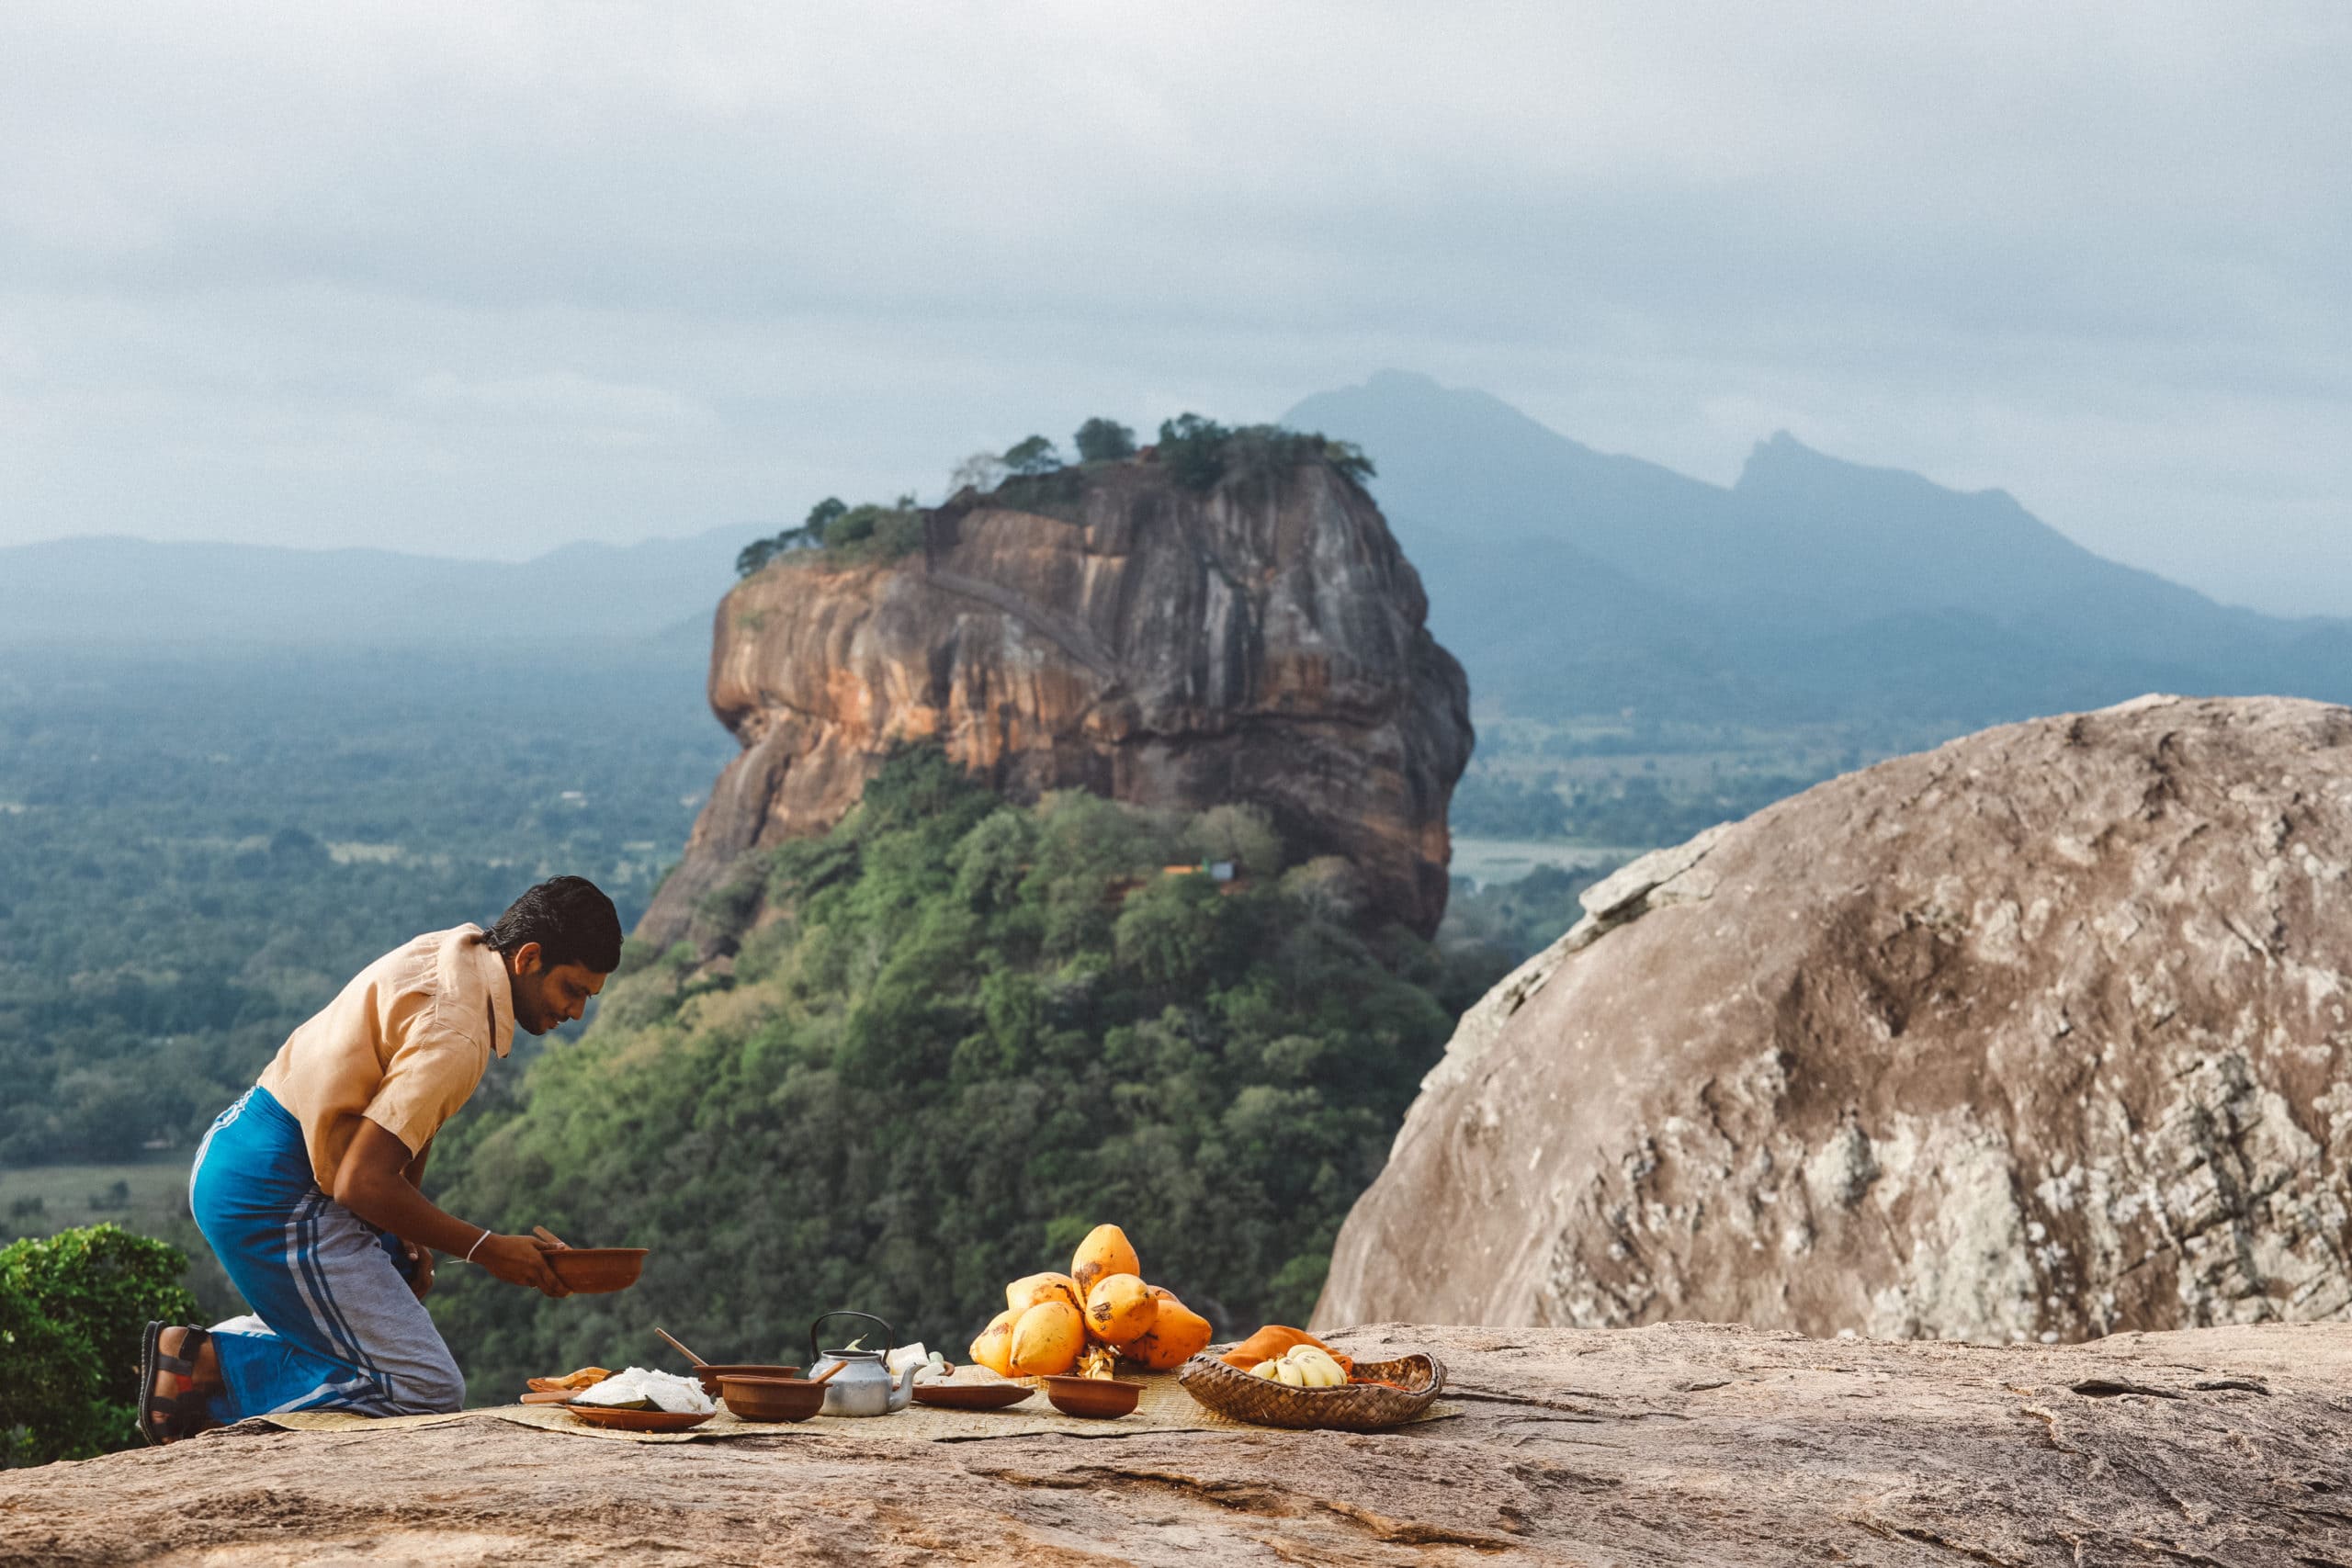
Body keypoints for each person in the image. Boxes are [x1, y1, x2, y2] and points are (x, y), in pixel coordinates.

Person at [136, 876, 623, 1444]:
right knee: (425, 1388)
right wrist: (488, 1249)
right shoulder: (458, 1032)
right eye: (572, 989)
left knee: (395, 1272)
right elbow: (360, 1182)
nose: (577, 1010)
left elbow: (404, 1122)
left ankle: (217, 1355)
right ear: (530, 958)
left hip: (242, 1150)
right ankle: (209, 1367)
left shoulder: (460, 951)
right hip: (275, 1193)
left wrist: (403, 1235)